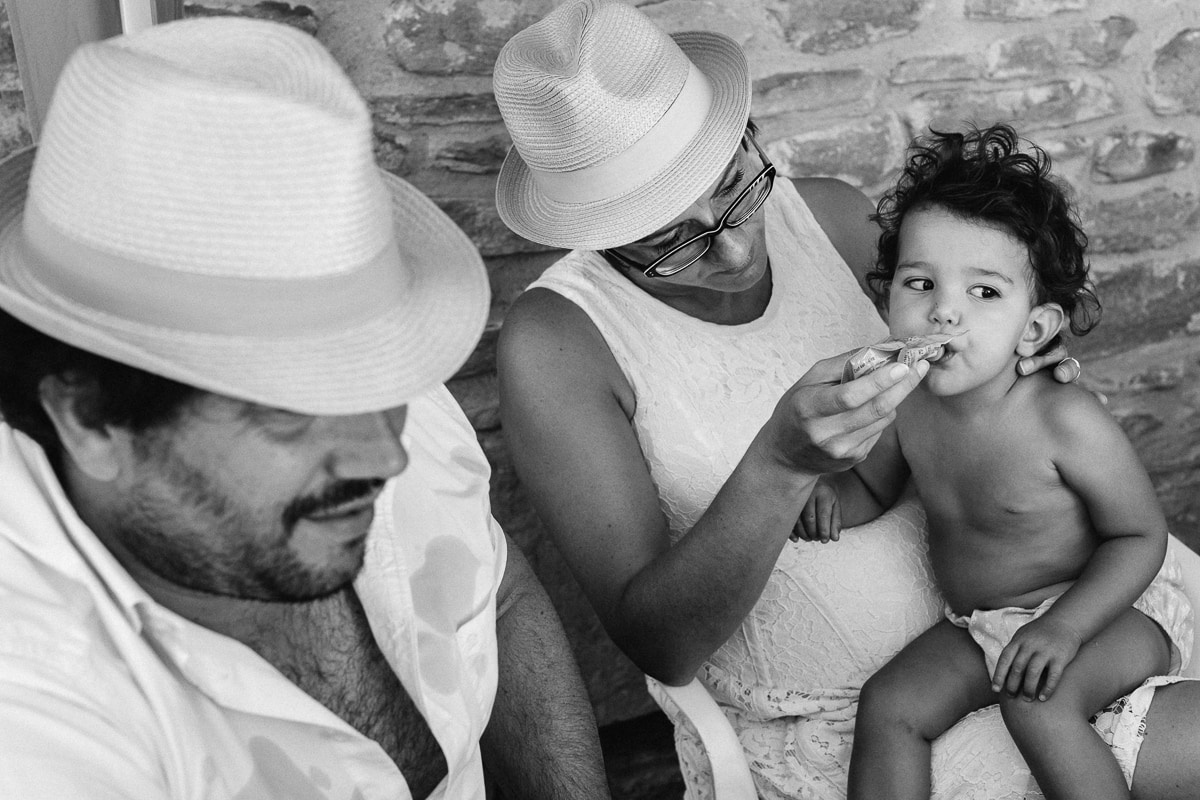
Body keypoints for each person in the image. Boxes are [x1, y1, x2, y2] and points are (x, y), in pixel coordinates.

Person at [490, 1, 1200, 798]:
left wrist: (1026, 366)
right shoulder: (556, 345)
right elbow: (660, 641)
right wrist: (782, 472)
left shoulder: (826, 211)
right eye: (671, 241)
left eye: (737, 187)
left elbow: (978, 327)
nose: (735, 248)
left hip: (1065, 617)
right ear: (599, 235)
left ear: (750, 135)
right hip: (873, 706)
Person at [0, 17, 609, 800]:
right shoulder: (35, 710)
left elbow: (498, 591)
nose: (388, 456)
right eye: (291, 406)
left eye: (371, 375)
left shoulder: (385, 392)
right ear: (90, 420)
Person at [795, 125, 1193, 800]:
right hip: (984, 624)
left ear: (1033, 328)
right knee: (889, 704)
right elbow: (873, 485)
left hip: (1104, 611)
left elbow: (1139, 536)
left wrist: (1064, 629)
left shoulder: (1062, 419)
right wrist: (832, 499)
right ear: (888, 300)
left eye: (983, 293)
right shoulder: (906, 403)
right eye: (921, 283)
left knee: (1038, 701)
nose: (943, 312)